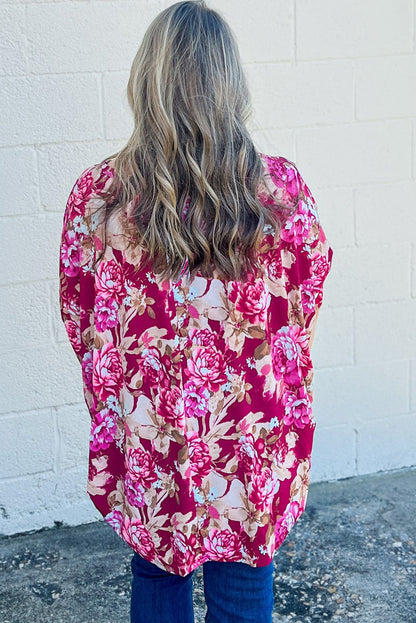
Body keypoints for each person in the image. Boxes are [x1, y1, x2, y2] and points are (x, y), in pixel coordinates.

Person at [58, 1, 334, 621]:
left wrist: (127, 384)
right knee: (242, 578)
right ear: (229, 87)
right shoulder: (278, 193)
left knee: (158, 568)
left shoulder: (101, 198)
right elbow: (306, 294)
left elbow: (78, 312)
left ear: (145, 84)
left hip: (153, 426)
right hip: (248, 431)